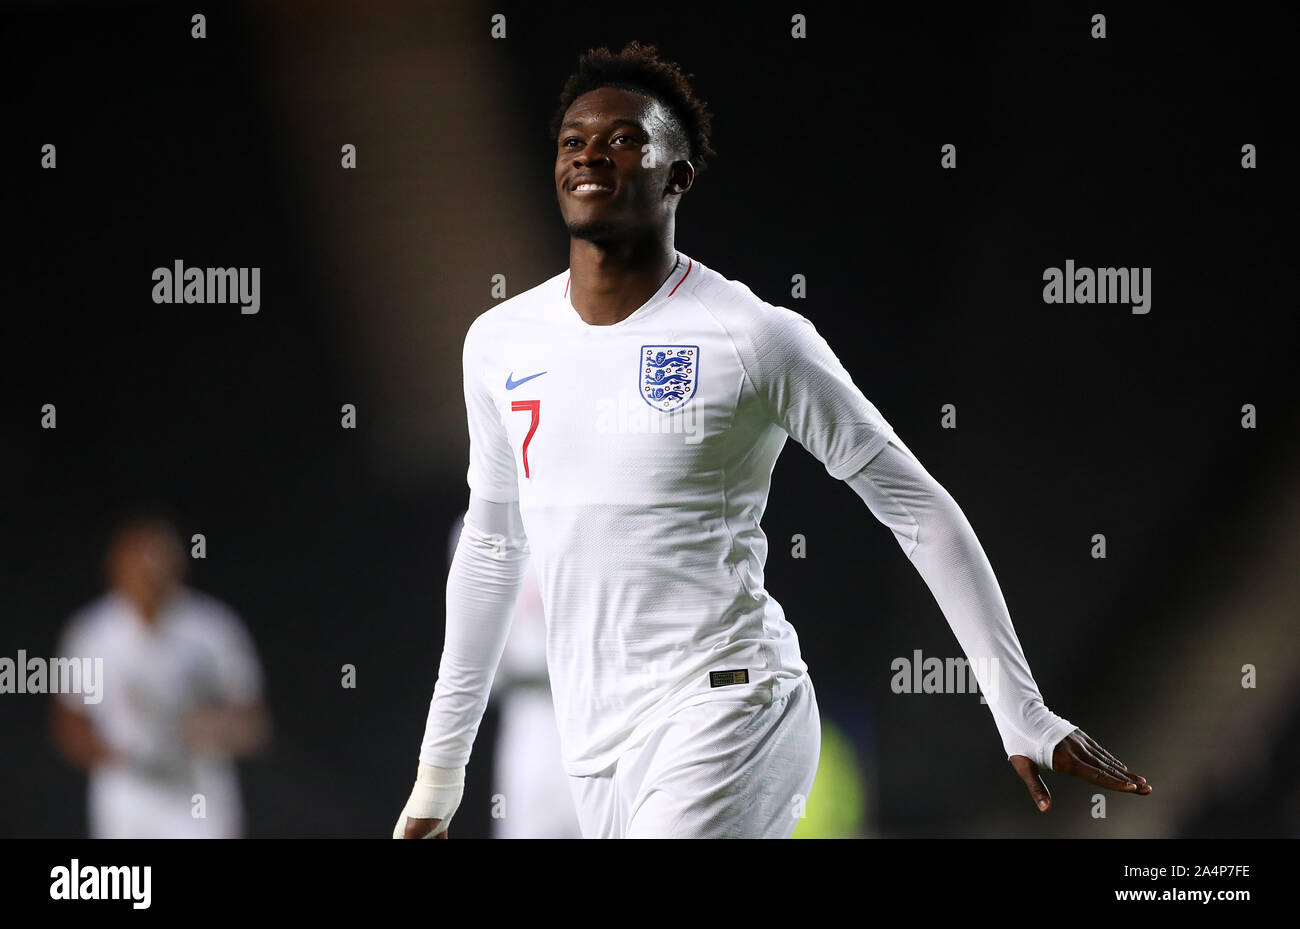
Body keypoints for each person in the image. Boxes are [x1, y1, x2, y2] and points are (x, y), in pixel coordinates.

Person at [395, 42, 1149, 839]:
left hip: (729, 704)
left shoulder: (753, 337)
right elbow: (491, 549)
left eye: (623, 138)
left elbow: (916, 507)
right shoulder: (500, 342)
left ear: (677, 175)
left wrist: (1017, 705)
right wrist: (439, 778)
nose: (590, 153)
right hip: (593, 748)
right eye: (573, 139)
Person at [52, 512, 270, 838]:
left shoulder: (212, 630)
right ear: (115, 568)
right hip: (127, 796)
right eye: (138, 565)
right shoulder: (91, 634)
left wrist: (209, 730)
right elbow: (68, 723)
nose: (149, 575)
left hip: (197, 793)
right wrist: (113, 752)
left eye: (157, 564)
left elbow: (254, 724)